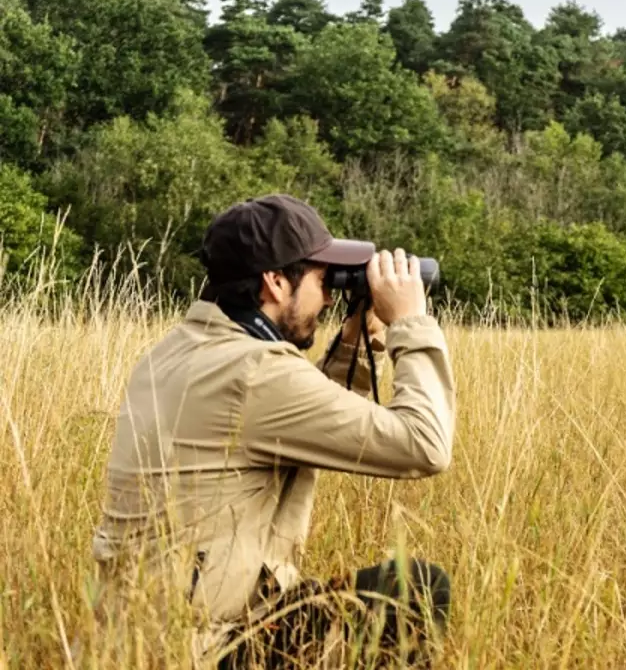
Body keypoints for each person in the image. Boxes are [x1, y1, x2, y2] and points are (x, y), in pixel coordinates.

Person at [88, 194, 456, 668]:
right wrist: (411, 321)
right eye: (323, 280)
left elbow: (295, 419)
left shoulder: (176, 352)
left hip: (140, 642)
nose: (328, 296)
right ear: (276, 281)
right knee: (416, 590)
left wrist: (352, 343)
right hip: (203, 648)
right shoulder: (255, 371)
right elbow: (425, 446)